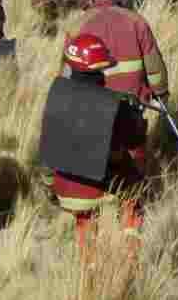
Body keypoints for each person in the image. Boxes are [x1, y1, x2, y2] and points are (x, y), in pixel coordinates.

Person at [49, 31, 147, 258]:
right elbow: (133, 141)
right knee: (133, 189)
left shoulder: (56, 94)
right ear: (99, 70)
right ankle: (130, 250)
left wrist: (49, 185)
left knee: (85, 215)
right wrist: (135, 117)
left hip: (64, 188)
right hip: (94, 189)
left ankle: (88, 257)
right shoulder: (113, 104)